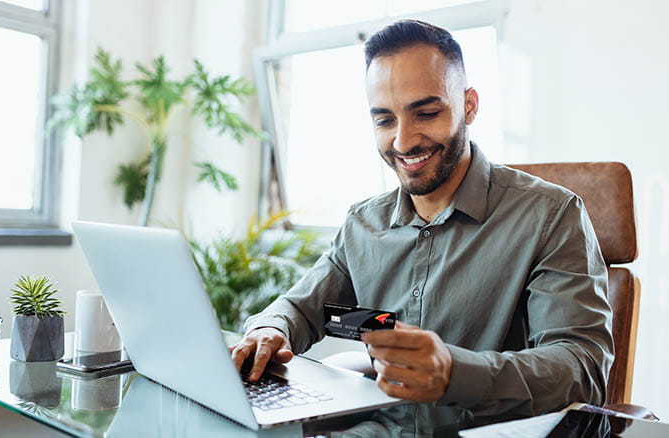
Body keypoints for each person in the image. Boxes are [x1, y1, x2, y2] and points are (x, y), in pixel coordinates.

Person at [230, 19, 614, 430]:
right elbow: (306, 309)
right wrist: (270, 328)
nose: (403, 141)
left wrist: (454, 372)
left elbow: (582, 370)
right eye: (384, 120)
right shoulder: (363, 225)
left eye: (426, 113)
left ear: (469, 105)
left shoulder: (550, 216)